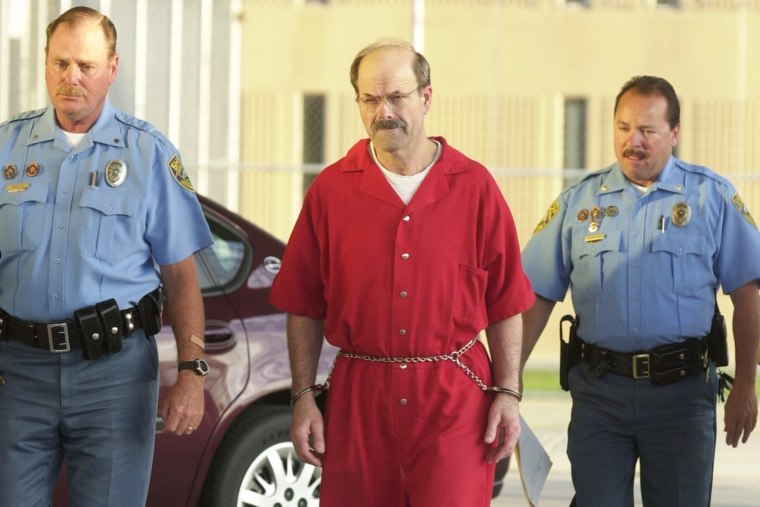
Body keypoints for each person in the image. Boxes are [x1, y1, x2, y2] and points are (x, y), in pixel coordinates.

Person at [269, 38, 534, 506]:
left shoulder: (474, 188)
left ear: (426, 97)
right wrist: (303, 397)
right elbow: (303, 305)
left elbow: (506, 302)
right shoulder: (331, 191)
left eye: (396, 97)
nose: (383, 111)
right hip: (358, 402)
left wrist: (508, 393)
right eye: (370, 99)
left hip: (455, 400)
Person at [0, 7, 213, 507]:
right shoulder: (7, 149)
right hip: (18, 372)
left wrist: (191, 372)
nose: (70, 77)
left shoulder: (148, 154)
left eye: (85, 66)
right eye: (59, 63)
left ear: (112, 68)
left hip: (113, 376)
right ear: (45, 63)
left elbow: (181, 278)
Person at [521, 75, 760, 507]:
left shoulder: (711, 197)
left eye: (648, 130)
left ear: (674, 133)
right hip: (600, 395)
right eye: (624, 127)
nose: (634, 141)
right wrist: (506, 382)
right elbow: (535, 294)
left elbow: (748, 294)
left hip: (681, 397)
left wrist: (746, 384)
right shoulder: (579, 202)